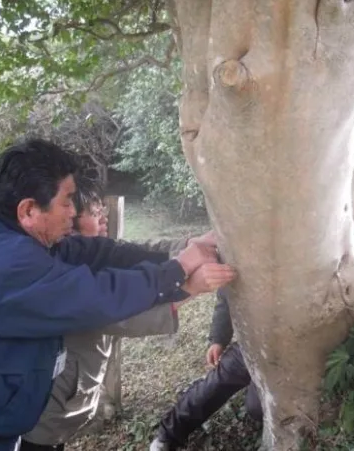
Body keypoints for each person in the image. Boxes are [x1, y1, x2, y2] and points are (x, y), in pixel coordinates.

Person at [0, 139, 235, 451]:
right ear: (28, 210)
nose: (74, 212)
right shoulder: (5, 263)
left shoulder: (14, 239)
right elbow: (99, 296)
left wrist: (188, 248)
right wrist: (179, 272)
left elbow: (104, 253)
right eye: (67, 200)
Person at [18, 178, 215, 451]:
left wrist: (193, 243)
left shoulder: (93, 253)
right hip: (43, 410)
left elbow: (140, 251)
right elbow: (122, 316)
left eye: (103, 212)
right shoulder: (67, 271)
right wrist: (191, 287)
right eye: (95, 214)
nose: (103, 219)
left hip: (64, 401)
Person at [149, 288, 262, 451]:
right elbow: (227, 296)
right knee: (215, 383)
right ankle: (167, 436)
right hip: (252, 342)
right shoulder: (242, 263)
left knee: (256, 408)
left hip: (293, 351)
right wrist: (218, 339)